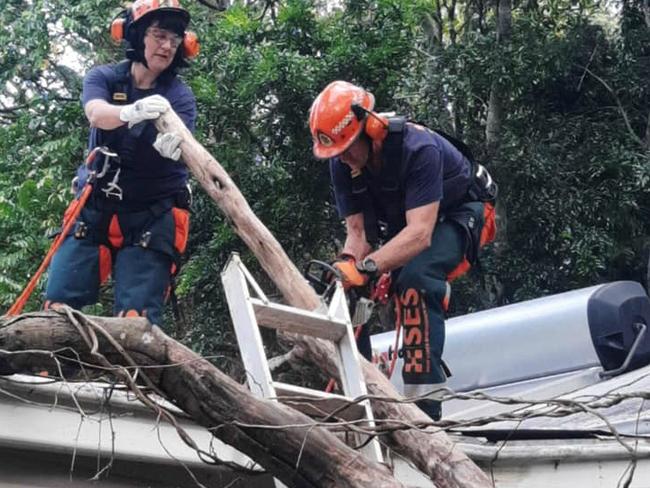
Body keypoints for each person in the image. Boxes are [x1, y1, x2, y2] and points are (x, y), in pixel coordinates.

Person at [309, 81, 497, 420]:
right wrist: (349, 269)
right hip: (412, 224)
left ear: (370, 127)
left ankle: (426, 409)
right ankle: (361, 396)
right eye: (338, 153)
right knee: (347, 290)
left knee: (416, 277)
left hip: (462, 213)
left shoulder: (418, 147)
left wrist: (368, 267)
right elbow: (357, 233)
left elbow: (420, 235)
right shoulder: (340, 163)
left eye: (350, 147)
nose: (345, 158)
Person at [44, 0, 199, 326]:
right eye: (159, 35)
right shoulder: (104, 78)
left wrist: (174, 147)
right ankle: (46, 372)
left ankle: (134, 376)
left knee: (136, 321)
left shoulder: (179, 97)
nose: (167, 45)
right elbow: (96, 114)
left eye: (174, 38)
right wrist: (130, 112)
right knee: (57, 309)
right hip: (95, 206)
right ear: (137, 35)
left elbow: (182, 145)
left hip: (151, 214)